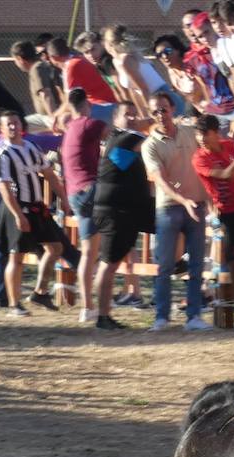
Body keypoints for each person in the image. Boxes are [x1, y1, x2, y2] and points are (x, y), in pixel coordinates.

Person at [141, 92, 210, 332]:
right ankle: (161, 316)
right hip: (169, 208)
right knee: (165, 265)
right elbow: (159, 179)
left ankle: (194, 316)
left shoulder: (190, 132)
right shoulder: (150, 145)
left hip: (197, 205)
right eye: (155, 111)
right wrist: (184, 199)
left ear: (172, 109)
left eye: (164, 109)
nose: (160, 115)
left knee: (197, 264)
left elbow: (211, 146)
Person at [0, 109, 66, 317]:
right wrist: (18, 215)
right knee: (16, 257)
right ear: (2, 129)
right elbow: (4, 188)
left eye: (15, 122)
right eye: (8, 124)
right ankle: (14, 305)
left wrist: (64, 199)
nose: (13, 127)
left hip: (36, 206)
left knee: (55, 248)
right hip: (17, 207)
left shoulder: (31, 147)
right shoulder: (3, 155)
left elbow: (49, 174)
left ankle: (40, 292)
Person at [92, 104, 152, 329]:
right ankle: (103, 316)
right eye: (127, 114)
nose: (133, 118)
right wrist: (156, 118)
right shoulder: (122, 139)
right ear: (115, 121)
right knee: (108, 265)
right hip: (114, 212)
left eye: (134, 113)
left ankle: (177, 262)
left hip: (132, 209)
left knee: (171, 222)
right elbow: (151, 136)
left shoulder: (126, 140)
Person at [192, 112, 234, 331]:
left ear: (216, 133)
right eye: (198, 136)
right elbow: (226, 174)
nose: (201, 140)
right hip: (226, 213)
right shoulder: (199, 158)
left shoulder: (228, 146)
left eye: (205, 135)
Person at [61, 88, 108, 324]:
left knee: (88, 253)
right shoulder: (90, 124)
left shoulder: (69, 128)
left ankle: (87, 307)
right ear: (87, 103)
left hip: (75, 193)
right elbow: (118, 134)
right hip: (91, 190)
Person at [104, 26, 186, 120]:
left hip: (164, 100)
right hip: (154, 100)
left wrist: (149, 114)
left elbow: (144, 89)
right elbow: (134, 91)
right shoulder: (116, 61)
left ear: (110, 44)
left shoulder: (127, 59)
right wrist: (140, 113)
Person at [47, 37, 117, 124]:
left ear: (53, 57)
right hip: (104, 105)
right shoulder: (77, 59)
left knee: (65, 119)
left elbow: (70, 102)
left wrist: (54, 117)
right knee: (65, 117)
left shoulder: (71, 66)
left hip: (105, 106)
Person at [184, 13, 234, 121]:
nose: (205, 38)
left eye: (207, 32)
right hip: (215, 110)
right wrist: (202, 106)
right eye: (200, 36)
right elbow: (203, 85)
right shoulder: (192, 57)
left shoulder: (227, 46)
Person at [10, 40, 65, 127]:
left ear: (20, 59)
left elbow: (46, 94)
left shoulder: (36, 69)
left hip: (48, 116)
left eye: (15, 60)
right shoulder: (42, 65)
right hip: (47, 115)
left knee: (20, 126)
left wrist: (54, 118)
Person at [154, 34, 210, 116]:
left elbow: (208, 87)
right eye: (159, 55)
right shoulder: (171, 72)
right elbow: (188, 97)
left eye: (168, 51)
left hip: (213, 107)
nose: (164, 56)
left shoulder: (191, 65)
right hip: (198, 110)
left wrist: (209, 107)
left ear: (178, 50)